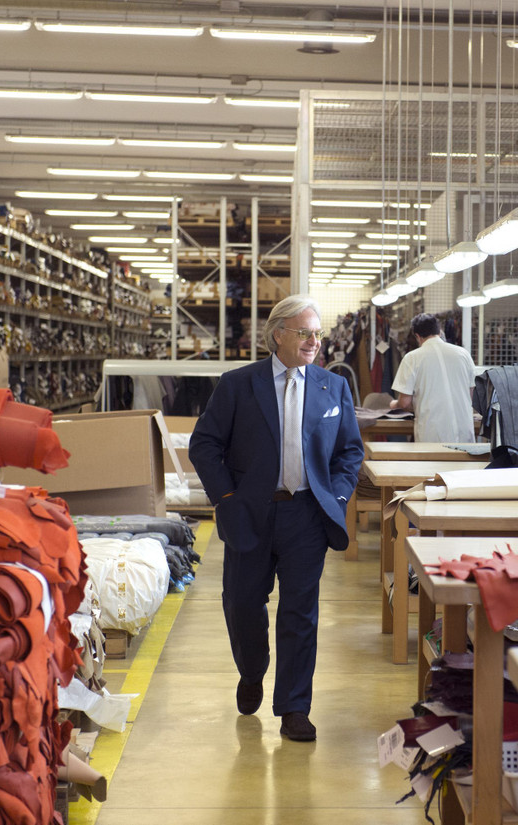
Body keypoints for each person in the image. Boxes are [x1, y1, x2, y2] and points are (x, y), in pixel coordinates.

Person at [190, 294, 363, 743]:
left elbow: (349, 451)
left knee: (299, 613)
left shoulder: (332, 387)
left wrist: (337, 494)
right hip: (249, 513)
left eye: (317, 333)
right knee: (243, 604)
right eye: (304, 332)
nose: (314, 341)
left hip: (307, 514)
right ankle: (251, 672)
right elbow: (204, 445)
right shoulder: (237, 385)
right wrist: (226, 497)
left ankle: (293, 707)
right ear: (278, 334)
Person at [389, 313, 477, 443]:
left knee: (434, 463)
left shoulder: (412, 358)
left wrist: (393, 404)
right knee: (462, 463)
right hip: (464, 430)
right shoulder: (463, 354)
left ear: (417, 336)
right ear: (439, 332)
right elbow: (471, 395)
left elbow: (404, 403)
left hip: (432, 434)